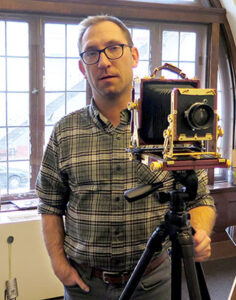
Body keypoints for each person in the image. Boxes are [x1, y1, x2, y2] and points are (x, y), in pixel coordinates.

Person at [36, 15, 216, 300]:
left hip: (155, 282)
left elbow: (200, 197)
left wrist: (200, 233)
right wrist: (59, 265)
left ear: (133, 55)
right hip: (85, 286)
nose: (104, 61)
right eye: (92, 53)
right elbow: (49, 203)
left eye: (113, 48)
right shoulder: (64, 131)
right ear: (83, 68)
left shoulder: (173, 127)